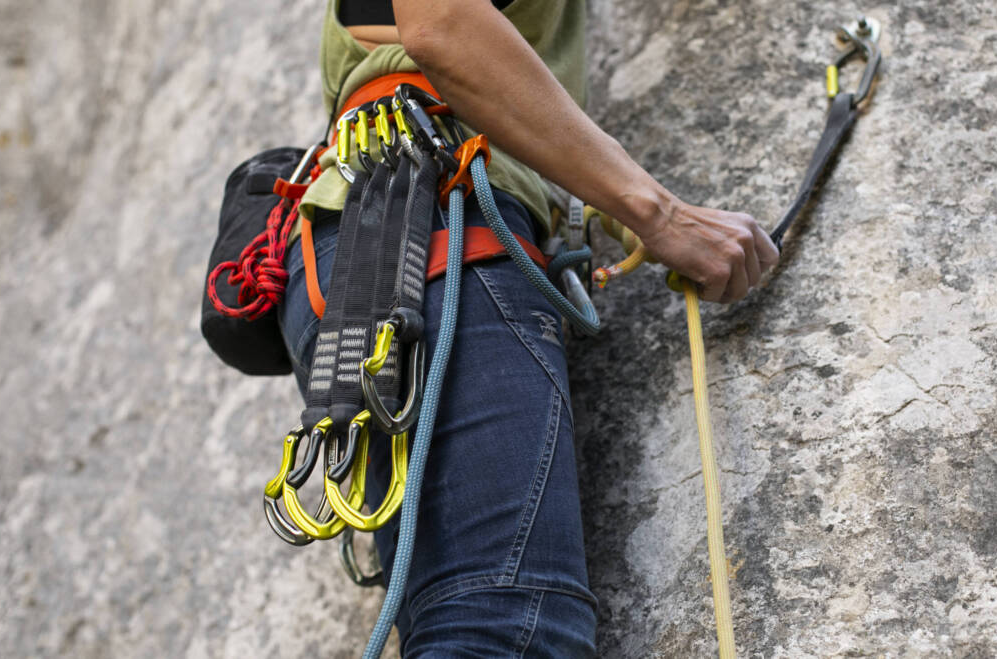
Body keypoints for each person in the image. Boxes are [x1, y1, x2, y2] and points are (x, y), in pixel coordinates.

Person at [277, 1, 778, 655]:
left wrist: (617, 210)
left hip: (387, 233)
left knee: (476, 620)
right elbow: (444, 22)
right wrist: (658, 213)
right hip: (430, 226)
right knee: (505, 626)